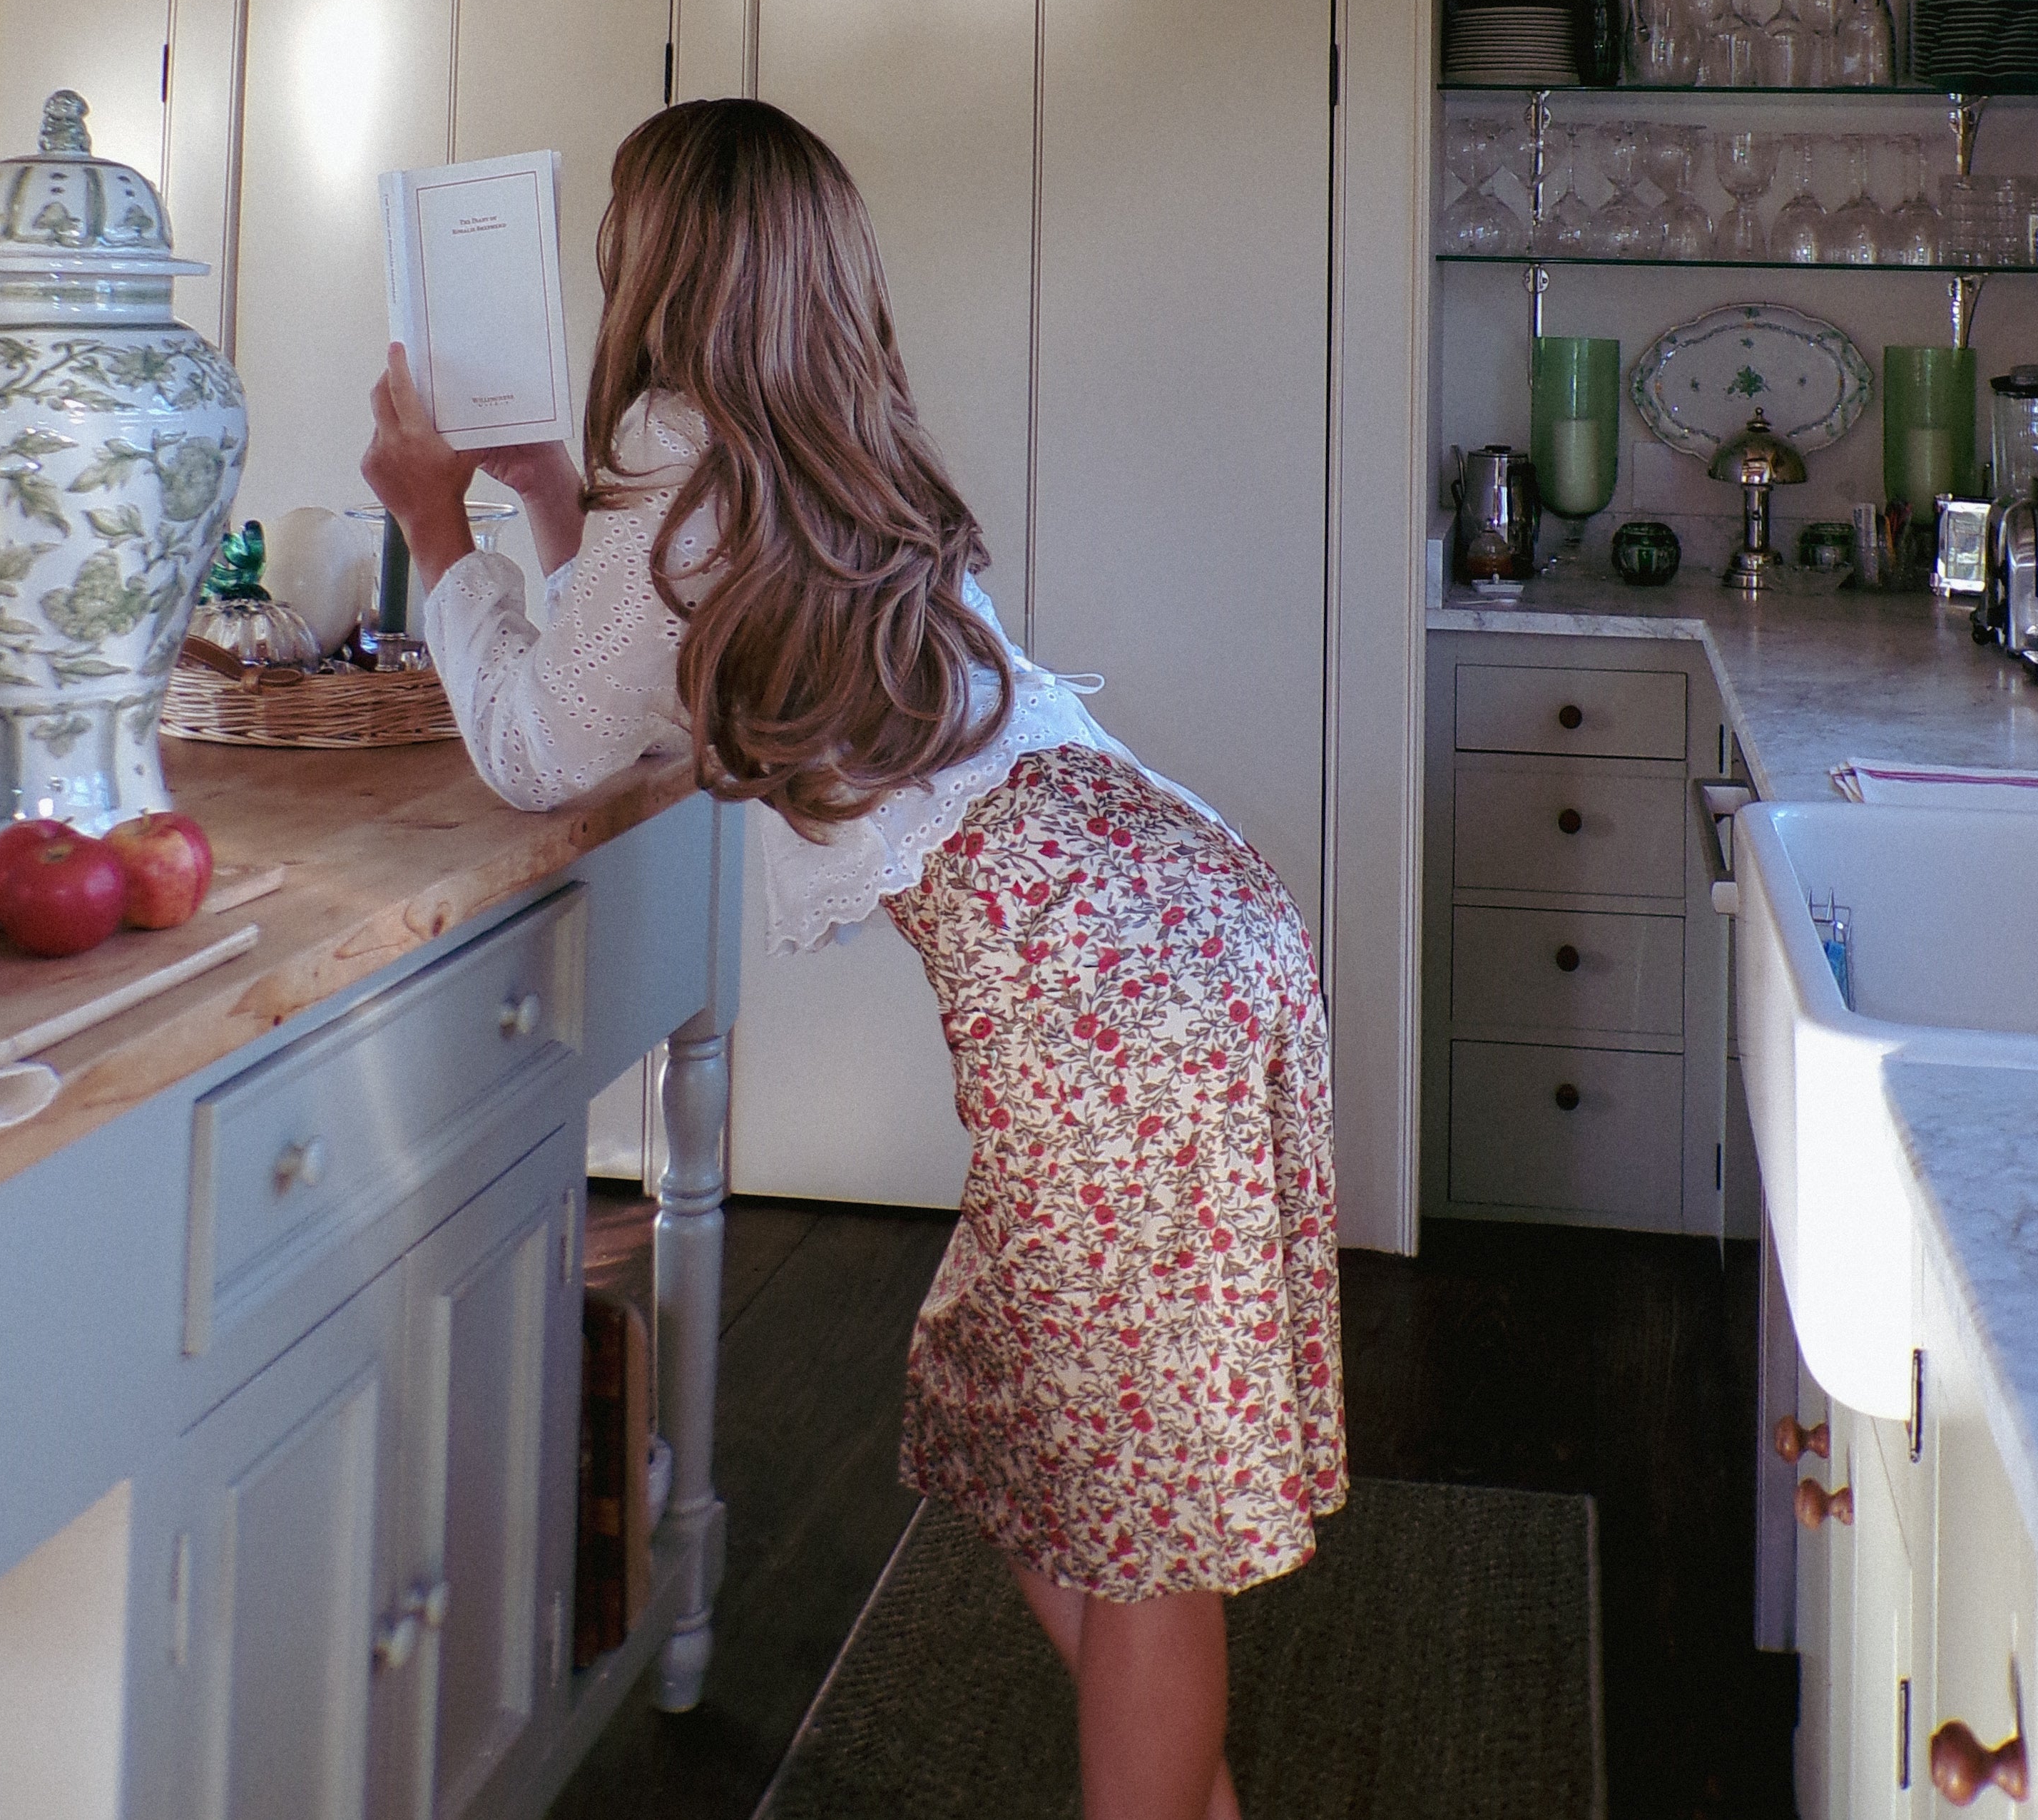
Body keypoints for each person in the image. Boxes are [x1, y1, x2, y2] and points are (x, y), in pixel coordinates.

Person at [361, 96, 1345, 1820]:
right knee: (1030, 1410)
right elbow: (647, 654)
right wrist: (545, 499)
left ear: (650, 263)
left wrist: (438, 529)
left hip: (1108, 984)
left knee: (1124, 1498)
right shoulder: (820, 440)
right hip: (1182, 908)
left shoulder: (680, 453)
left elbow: (536, 741)